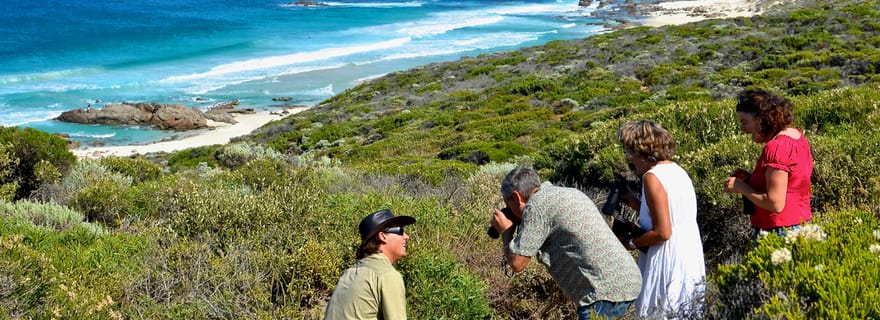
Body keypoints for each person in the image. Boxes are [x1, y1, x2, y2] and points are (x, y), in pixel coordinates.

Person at [491, 167, 642, 320]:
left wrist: (506, 232)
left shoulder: (537, 206)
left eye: (508, 205)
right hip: (627, 280)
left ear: (516, 197)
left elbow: (517, 263)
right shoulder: (568, 192)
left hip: (602, 292)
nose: (509, 210)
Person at [617, 120, 706, 318]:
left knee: (661, 310)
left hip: (667, 256)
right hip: (688, 252)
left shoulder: (651, 177)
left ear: (642, 150)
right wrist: (635, 203)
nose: (629, 158)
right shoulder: (677, 171)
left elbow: (663, 232)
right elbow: (672, 214)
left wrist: (631, 243)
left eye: (630, 152)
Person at [722, 88, 814, 239]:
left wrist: (740, 187)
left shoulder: (777, 147)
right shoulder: (796, 137)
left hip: (779, 232)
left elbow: (775, 204)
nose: (742, 129)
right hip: (800, 226)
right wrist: (751, 178)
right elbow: (790, 183)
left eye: (744, 122)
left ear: (761, 119)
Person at [324, 209, 416, 320]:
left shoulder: (349, 273)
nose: (406, 236)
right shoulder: (386, 275)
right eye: (400, 230)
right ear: (382, 236)